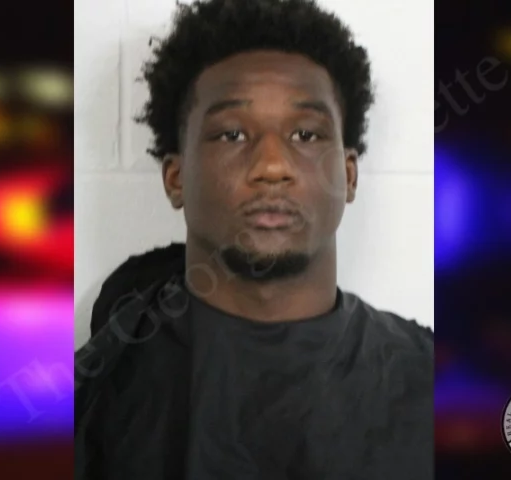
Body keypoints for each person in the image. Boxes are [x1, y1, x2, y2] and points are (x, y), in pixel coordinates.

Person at [75, 0, 433, 478]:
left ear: (349, 175)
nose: (272, 166)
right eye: (232, 135)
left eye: (305, 134)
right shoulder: (87, 402)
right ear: (176, 177)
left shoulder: (438, 385)